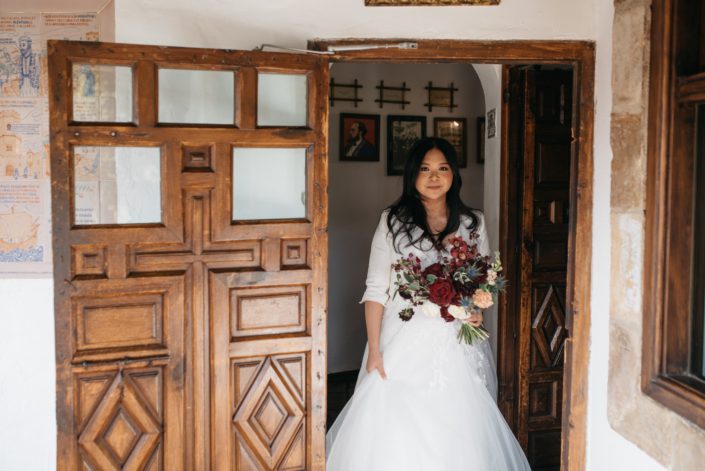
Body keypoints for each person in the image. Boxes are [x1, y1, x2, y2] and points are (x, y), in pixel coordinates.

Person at [326, 137, 531, 470]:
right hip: (404, 338)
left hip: (457, 341)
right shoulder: (393, 221)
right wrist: (375, 350)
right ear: (412, 175)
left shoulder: (472, 222)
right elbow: (376, 289)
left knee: (460, 420)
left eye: (442, 168)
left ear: (453, 175)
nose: (434, 177)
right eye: (425, 169)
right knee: (397, 425)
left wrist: (475, 308)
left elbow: (482, 278)